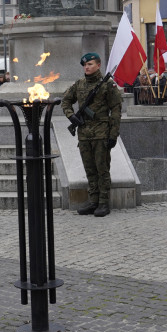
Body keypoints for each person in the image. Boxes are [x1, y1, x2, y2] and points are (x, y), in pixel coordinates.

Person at [61, 52, 122, 218]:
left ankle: (103, 202)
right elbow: (65, 100)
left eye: (90, 64)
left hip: (101, 133)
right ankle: (93, 201)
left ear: (98, 65)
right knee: (90, 170)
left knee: (102, 170)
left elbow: (116, 110)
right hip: (84, 134)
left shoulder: (108, 85)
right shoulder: (79, 84)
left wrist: (113, 134)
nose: (86, 67)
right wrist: (71, 115)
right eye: (85, 65)